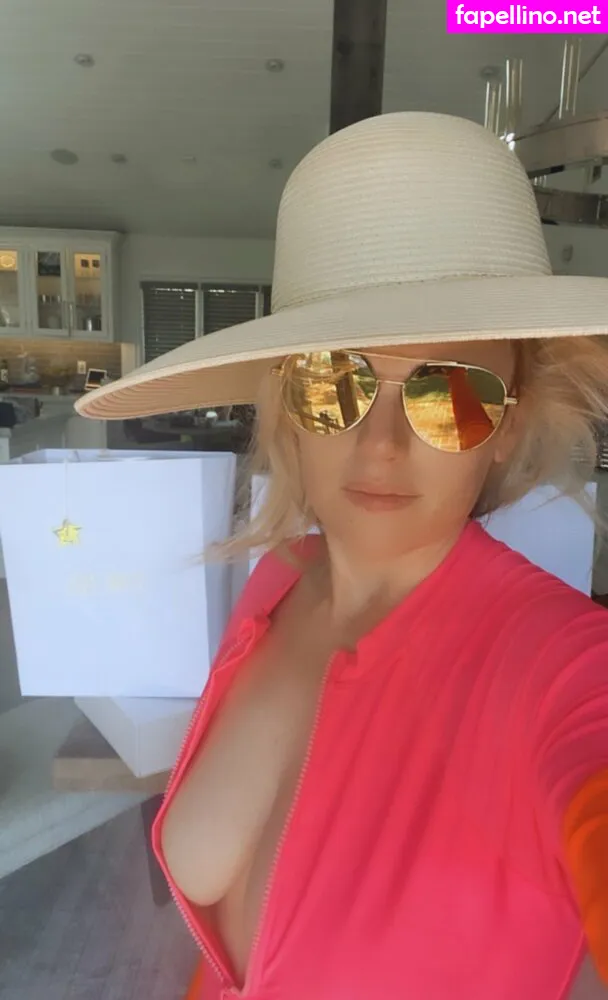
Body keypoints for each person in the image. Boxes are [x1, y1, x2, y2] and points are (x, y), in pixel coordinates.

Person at [76, 112, 608, 999]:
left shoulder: (561, 663)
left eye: (452, 395)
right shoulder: (282, 579)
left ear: (508, 427)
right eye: (336, 383)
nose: (381, 445)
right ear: (288, 404)